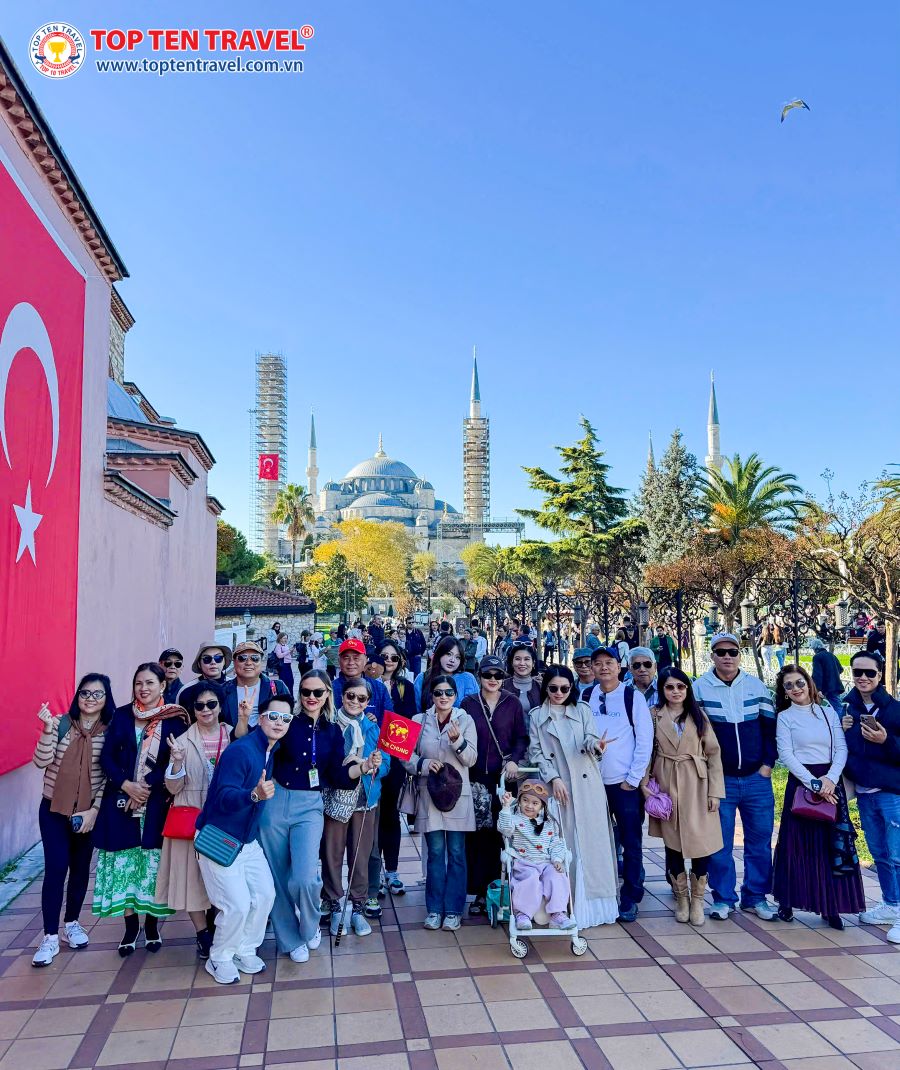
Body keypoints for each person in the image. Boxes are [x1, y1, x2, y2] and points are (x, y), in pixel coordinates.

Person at [257, 670, 369, 962]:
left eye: (317, 692)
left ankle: (309, 926)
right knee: (278, 877)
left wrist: (362, 767)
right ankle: (289, 939)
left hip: (310, 805)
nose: (311, 697)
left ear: (327, 694)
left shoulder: (332, 731)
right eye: (305, 691)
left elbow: (337, 775)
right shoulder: (288, 722)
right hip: (276, 799)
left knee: (304, 878)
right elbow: (263, 747)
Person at [92, 664, 189, 954]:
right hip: (121, 802)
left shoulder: (174, 720)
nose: (143, 688)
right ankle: (130, 927)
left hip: (156, 803)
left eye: (149, 683)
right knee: (127, 863)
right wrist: (126, 785)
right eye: (138, 683)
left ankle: (152, 925)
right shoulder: (122, 715)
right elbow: (107, 757)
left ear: (162, 685)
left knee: (151, 865)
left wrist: (143, 787)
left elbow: (174, 760)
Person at [194, 691, 288, 984]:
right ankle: (220, 957)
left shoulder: (269, 750)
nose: (280, 722)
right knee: (236, 904)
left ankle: (244, 949)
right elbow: (223, 797)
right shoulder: (241, 751)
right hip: (219, 837)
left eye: (286, 718)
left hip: (247, 841)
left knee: (265, 895)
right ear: (261, 719)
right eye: (274, 716)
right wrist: (253, 795)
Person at [31, 675, 115, 967]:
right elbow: (41, 761)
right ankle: (50, 936)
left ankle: (72, 923)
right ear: (77, 696)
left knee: (80, 870)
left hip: (87, 814)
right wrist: (46, 730)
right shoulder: (60, 723)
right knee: (56, 869)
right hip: (53, 809)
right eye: (85, 693)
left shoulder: (110, 731)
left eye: (97, 694)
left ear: (106, 699)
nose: (90, 699)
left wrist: (95, 811)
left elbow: (108, 778)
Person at [693, 633, 778, 921]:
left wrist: (767, 764)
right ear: (712, 655)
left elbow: (770, 728)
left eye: (733, 651)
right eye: (721, 652)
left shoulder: (755, 686)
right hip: (721, 781)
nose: (727, 656)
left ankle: (755, 897)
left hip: (757, 779)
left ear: (740, 654)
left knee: (760, 842)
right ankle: (723, 898)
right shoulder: (700, 688)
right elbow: (696, 735)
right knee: (720, 844)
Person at [772, 665, 864, 930]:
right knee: (797, 846)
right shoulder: (785, 717)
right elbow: (786, 754)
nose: (796, 688)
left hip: (830, 783)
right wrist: (814, 783)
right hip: (802, 784)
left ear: (809, 683)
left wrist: (830, 780)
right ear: (785, 691)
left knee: (830, 845)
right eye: (789, 685)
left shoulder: (828, 712)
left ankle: (830, 906)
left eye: (799, 682)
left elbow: (841, 748)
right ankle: (788, 902)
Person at [527, 665, 617, 928]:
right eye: (553, 688)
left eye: (565, 688)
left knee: (593, 846)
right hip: (558, 789)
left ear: (571, 688)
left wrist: (596, 745)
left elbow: (590, 738)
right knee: (562, 846)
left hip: (587, 786)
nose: (559, 693)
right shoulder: (537, 716)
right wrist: (553, 778)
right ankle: (562, 907)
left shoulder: (582, 710)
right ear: (546, 688)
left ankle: (596, 907)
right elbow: (536, 752)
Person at [643, 668, 724, 926]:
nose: (676, 691)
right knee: (673, 842)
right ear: (662, 690)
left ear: (687, 689)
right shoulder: (653, 715)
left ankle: (698, 899)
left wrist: (715, 792)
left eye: (680, 686)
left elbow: (713, 754)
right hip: (667, 783)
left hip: (697, 783)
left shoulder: (698, 715)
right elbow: (645, 750)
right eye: (670, 687)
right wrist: (645, 784)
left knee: (701, 841)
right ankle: (682, 898)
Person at [156, 682, 230, 959]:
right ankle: (203, 934)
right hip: (192, 818)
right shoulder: (182, 741)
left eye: (211, 704)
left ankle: (221, 929)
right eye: (199, 706)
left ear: (220, 706)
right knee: (192, 879)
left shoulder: (234, 735)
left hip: (224, 819)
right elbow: (173, 788)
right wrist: (176, 762)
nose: (206, 710)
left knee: (223, 877)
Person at [404, 675, 477, 931]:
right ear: (431, 696)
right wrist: (423, 764)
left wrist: (458, 741)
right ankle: (434, 909)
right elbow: (405, 755)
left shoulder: (466, 720)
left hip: (457, 796)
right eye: (438, 692)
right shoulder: (418, 720)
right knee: (435, 853)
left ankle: (454, 910)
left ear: (455, 695)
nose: (443, 697)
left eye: (448, 692)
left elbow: (471, 759)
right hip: (430, 793)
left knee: (456, 853)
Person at [587, 646, 653, 923]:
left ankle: (631, 896)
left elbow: (645, 740)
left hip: (624, 784)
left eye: (609, 662)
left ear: (619, 666)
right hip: (593, 784)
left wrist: (633, 780)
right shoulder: (586, 696)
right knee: (596, 841)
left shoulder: (631, 697)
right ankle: (599, 893)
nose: (604, 667)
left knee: (631, 841)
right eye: (598, 663)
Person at [461, 655, 529, 917]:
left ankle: (503, 888)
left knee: (503, 834)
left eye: (498, 675)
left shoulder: (512, 703)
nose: (492, 679)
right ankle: (480, 891)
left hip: (503, 779)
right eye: (488, 675)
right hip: (476, 777)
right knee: (478, 837)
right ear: (479, 676)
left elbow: (521, 737)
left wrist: (513, 760)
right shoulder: (469, 703)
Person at [322, 676, 388, 937]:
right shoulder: (329, 725)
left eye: (362, 698)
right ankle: (334, 904)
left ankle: (358, 907)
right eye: (351, 696)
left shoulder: (373, 728)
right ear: (342, 696)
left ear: (368, 702)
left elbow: (387, 764)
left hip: (365, 799)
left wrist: (376, 765)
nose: (355, 702)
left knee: (361, 855)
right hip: (336, 799)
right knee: (332, 853)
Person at [842, 652, 900, 942]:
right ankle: (891, 904)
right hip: (865, 794)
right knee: (880, 854)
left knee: (898, 855)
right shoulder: (847, 709)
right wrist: (844, 731)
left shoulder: (894, 710)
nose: (863, 678)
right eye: (857, 672)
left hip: (891, 793)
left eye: (869, 673)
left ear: (880, 675)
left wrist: (886, 740)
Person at [367, 640, 415, 906]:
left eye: (393, 657)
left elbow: (409, 720)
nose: (388, 661)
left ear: (400, 661)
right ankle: (373, 876)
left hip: (394, 758)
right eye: (383, 656)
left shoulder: (405, 687)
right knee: (370, 819)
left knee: (390, 816)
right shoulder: (365, 686)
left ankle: (393, 871)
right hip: (368, 760)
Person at [498, 780, 575, 930]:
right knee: (529, 879)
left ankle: (558, 914)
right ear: (519, 801)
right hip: (524, 862)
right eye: (525, 800)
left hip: (547, 862)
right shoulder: (515, 819)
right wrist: (506, 808)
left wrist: (557, 859)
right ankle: (523, 914)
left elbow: (556, 843)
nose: (529, 806)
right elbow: (505, 829)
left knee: (557, 876)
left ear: (542, 806)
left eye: (535, 803)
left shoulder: (550, 823)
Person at [222, 641, 290, 734]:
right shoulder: (223, 691)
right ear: (234, 663)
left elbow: (288, 718)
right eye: (242, 658)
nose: (249, 663)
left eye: (255, 658)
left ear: (261, 662)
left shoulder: (278, 687)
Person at [333, 638, 393, 723]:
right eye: (346, 658)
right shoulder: (329, 690)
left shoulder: (379, 689)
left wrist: (373, 724)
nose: (351, 662)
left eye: (356, 658)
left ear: (365, 660)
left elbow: (390, 721)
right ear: (339, 661)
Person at [415, 636, 479, 711]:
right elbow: (416, 710)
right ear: (439, 654)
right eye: (449, 654)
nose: (452, 660)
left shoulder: (468, 679)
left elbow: (477, 709)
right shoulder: (422, 678)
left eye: (457, 657)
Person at [501, 641, 542, 715]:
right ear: (511, 662)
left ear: (533, 663)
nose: (522, 663)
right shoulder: (502, 686)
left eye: (527, 659)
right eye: (517, 659)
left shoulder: (540, 687)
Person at [809, 637, 846, 715]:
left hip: (825, 687)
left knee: (828, 707)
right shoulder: (831, 655)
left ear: (815, 649)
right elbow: (841, 669)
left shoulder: (817, 657)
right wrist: (833, 675)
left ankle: (840, 720)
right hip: (835, 685)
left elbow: (817, 674)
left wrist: (817, 689)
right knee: (837, 706)